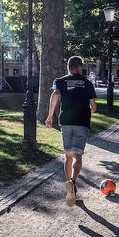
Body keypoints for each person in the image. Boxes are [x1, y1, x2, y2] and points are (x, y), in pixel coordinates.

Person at [45, 56, 97, 207]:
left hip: (66, 122)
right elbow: (93, 107)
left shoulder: (60, 81)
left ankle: (68, 184)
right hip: (82, 122)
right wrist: (90, 109)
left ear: (68, 67)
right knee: (78, 155)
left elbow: (55, 95)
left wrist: (49, 116)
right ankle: (73, 183)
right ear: (81, 68)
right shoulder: (87, 83)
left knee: (68, 155)